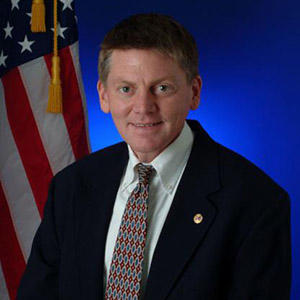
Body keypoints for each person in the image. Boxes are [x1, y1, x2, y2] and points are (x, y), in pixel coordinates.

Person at [17, 13, 291, 300]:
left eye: (162, 88)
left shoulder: (256, 202)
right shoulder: (72, 186)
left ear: (194, 92)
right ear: (104, 96)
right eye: (126, 89)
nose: (143, 107)